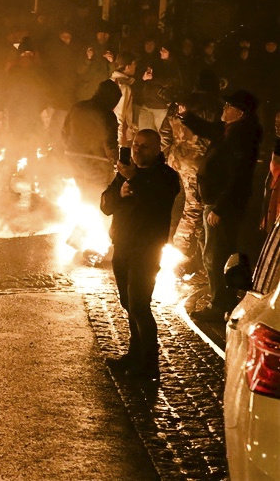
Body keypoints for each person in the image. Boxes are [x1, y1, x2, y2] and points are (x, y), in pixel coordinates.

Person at [100, 129, 181, 380]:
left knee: (139, 305)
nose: (137, 149)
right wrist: (119, 192)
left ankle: (149, 365)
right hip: (122, 247)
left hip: (146, 250)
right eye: (135, 144)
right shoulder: (124, 173)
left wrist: (133, 180)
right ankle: (135, 355)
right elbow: (105, 205)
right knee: (128, 304)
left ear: (157, 149)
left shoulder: (166, 177)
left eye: (144, 146)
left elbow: (156, 203)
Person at [179, 89, 263, 320]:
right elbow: (209, 129)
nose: (223, 109)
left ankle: (219, 305)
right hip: (215, 201)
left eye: (228, 106)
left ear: (240, 112)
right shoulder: (230, 130)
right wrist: (186, 116)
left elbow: (238, 177)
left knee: (215, 255)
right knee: (213, 253)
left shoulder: (241, 137)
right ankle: (221, 300)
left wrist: (220, 208)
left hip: (221, 204)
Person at [159, 69, 223, 280]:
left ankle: (185, 247)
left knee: (183, 202)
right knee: (194, 207)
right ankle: (179, 254)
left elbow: (165, 133)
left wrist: (167, 154)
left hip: (178, 159)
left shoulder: (179, 104)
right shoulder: (215, 107)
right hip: (199, 162)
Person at [61, 79, 122, 200]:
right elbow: (110, 143)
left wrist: (69, 147)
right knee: (96, 192)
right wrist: (115, 161)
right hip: (96, 160)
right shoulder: (107, 115)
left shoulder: (78, 106)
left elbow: (64, 131)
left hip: (73, 155)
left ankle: (82, 213)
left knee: (82, 188)